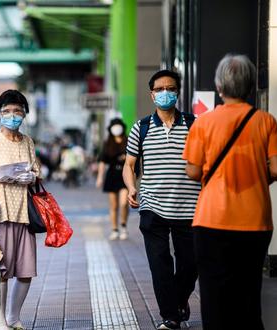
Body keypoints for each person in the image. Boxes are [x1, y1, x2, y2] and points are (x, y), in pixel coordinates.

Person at [183, 54, 277, 330]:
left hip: (211, 222)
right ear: (251, 85)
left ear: (219, 87)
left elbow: (193, 171)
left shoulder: (203, 123)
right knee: (249, 294)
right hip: (255, 221)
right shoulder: (265, 121)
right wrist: (256, 173)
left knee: (214, 295)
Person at [122, 70, 200, 330]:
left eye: (170, 88)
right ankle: (170, 316)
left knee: (190, 265)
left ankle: (178, 301)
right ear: (152, 94)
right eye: (160, 89)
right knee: (160, 266)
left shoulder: (195, 124)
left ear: (178, 92)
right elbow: (129, 164)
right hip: (152, 207)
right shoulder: (141, 127)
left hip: (190, 208)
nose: (165, 92)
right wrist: (132, 187)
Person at [0, 90, 40, 330]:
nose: (12, 115)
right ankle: (0, 321)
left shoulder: (28, 142)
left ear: (24, 114)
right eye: (6, 111)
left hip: (25, 214)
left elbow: (36, 172)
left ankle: (13, 317)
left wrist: (29, 176)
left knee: (25, 270)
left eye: (17, 111)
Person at [96, 118, 129, 240]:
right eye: (114, 126)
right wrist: (100, 177)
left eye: (118, 126)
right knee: (113, 205)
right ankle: (114, 229)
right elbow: (102, 162)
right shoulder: (108, 143)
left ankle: (123, 225)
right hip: (112, 175)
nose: (116, 128)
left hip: (125, 175)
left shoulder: (128, 140)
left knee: (124, 203)